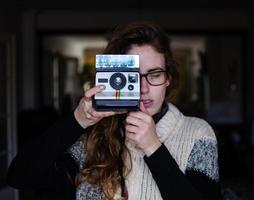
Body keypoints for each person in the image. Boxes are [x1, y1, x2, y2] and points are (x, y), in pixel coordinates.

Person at [7, 21, 222, 200]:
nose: (143, 88)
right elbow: (20, 176)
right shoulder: (93, 137)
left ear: (168, 79)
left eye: (155, 74)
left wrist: (154, 147)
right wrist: (77, 121)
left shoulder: (197, 133)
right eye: (133, 76)